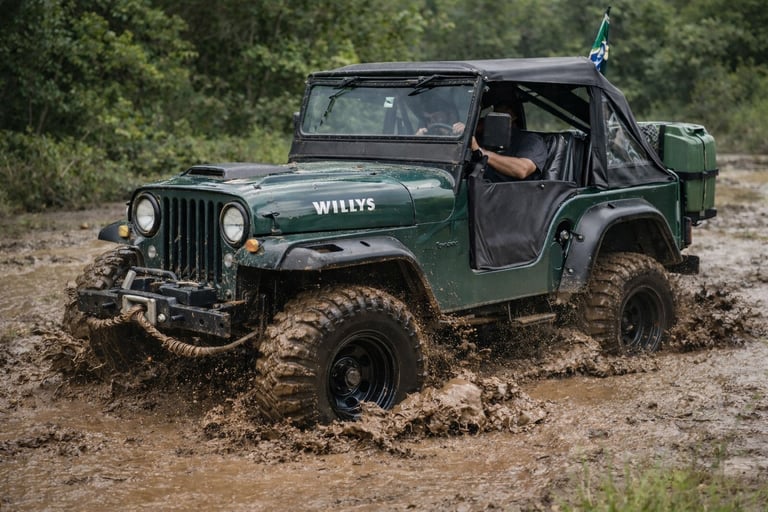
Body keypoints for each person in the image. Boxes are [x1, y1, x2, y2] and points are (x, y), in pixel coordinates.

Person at [471, 102, 548, 181]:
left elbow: (522, 170)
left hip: (512, 191)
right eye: (491, 115)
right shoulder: (482, 138)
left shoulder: (531, 141)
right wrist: (466, 132)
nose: (493, 119)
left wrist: (481, 153)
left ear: (513, 116)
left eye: (500, 115)